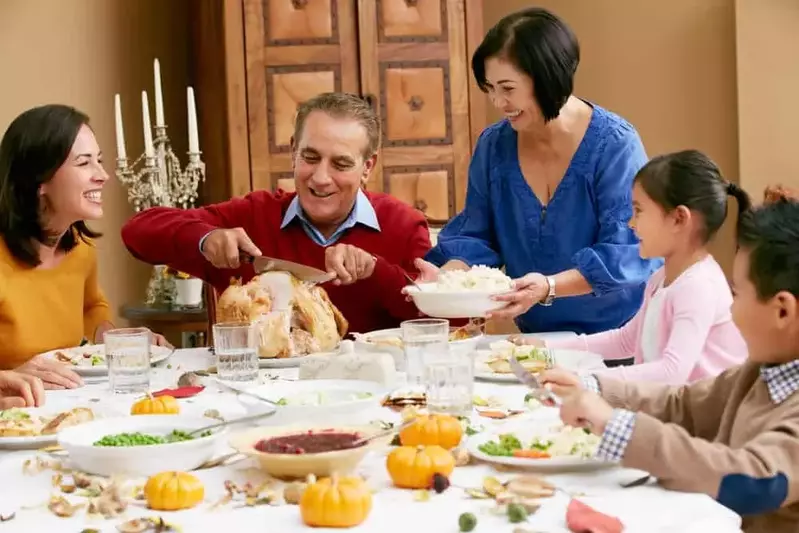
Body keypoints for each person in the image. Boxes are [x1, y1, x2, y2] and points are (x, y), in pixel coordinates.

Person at [541, 187, 799, 533]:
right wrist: (594, 388)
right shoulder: (759, 373)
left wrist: (620, 428)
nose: (732, 309)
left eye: (737, 294)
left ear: (782, 310)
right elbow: (684, 404)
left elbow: (754, 480)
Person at [419, 7, 660, 336]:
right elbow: (475, 234)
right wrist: (447, 281)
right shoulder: (493, 146)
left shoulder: (615, 146)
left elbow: (630, 251)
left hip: (622, 338)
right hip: (539, 341)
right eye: (490, 88)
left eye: (508, 88)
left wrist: (548, 287)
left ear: (548, 77)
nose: (497, 102)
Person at [121, 92, 430, 333]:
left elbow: (442, 320)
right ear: (292, 152)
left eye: (341, 164)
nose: (321, 177)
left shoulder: (403, 225)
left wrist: (376, 271)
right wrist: (206, 238)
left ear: (368, 167)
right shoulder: (252, 216)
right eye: (310, 157)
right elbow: (137, 232)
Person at [515, 150, 750, 384]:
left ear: (679, 218)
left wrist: (588, 381)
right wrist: (546, 348)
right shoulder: (662, 278)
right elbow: (626, 340)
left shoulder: (698, 286)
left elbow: (671, 372)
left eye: (638, 211)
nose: (631, 223)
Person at [0, 104, 170, 389]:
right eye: (84, 163)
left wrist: (118, 341)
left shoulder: (80, 248)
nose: (103, 175)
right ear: (39, 179)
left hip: (65, 404)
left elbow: (92, 307)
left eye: (99, 160)